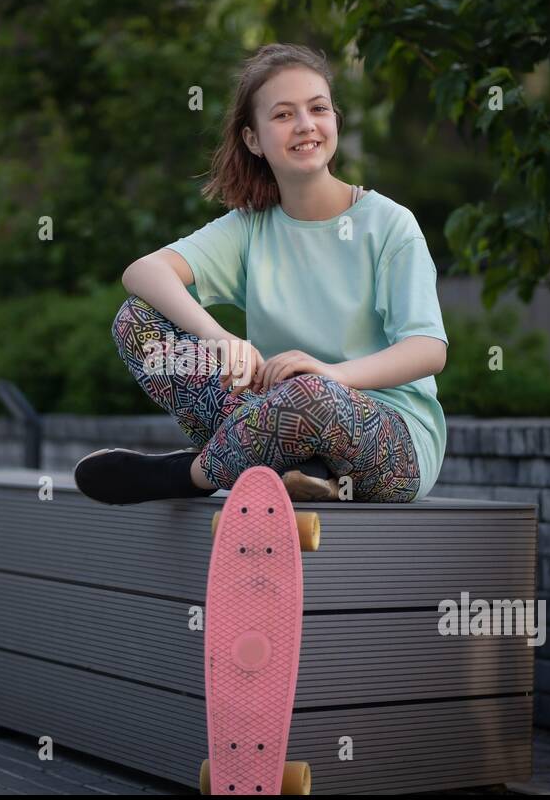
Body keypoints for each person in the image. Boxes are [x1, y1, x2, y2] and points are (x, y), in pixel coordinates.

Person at [74, 43, 448, 505]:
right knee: (137, 322)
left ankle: (188, 473)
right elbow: (144, 272)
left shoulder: (390, 224)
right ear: (253, 139)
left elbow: (428, 350)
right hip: (267, 414)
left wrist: (333, 375)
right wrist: (218, 337)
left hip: (389, 442)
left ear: (335, 120)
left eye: (318, 108)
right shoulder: (252, 226)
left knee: (309, 394)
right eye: (284, 115)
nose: (306, 125)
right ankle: (295, 469)